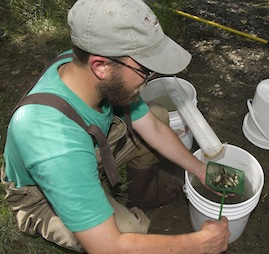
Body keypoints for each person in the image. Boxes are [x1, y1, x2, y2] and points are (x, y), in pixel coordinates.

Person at [1, 0, 230, 253]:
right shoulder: (55, 142)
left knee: (159, 115)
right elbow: (108, 246)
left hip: (85, 149)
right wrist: (200, 243)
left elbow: (152, 127)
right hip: (40, 195)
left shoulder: (81, 67)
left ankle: (142, 196)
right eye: (146, 71)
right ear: (101, 67)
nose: (150, 79)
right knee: (130, 233)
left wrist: (200, 169)